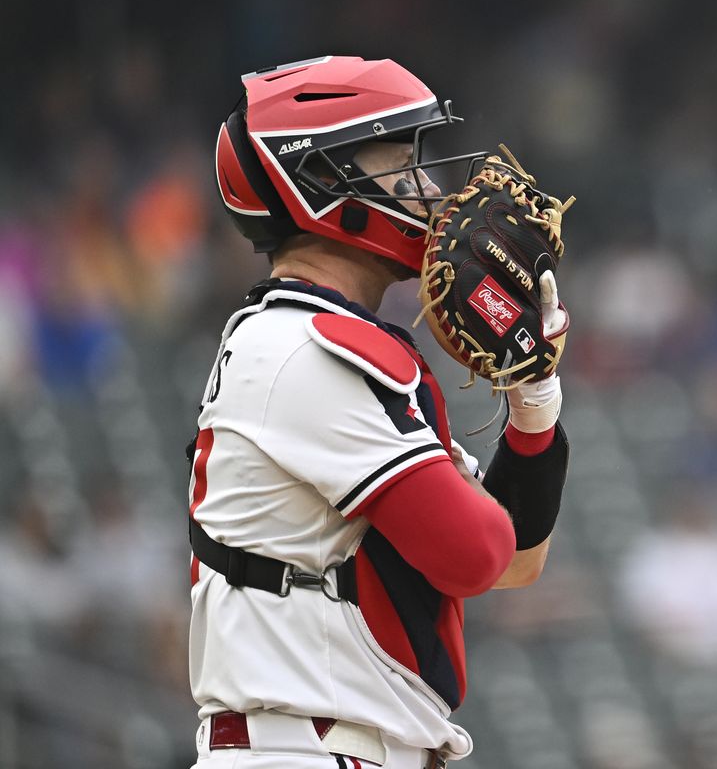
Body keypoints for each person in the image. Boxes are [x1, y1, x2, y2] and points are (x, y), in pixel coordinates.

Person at [191, 55, 573, 767]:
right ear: (323, 183)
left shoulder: (317, 339)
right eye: (401, 165)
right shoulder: (302, 347)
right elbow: (477, 551)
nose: (431, 191)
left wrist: (533, 399)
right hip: (301, 751)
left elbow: (515, 562)